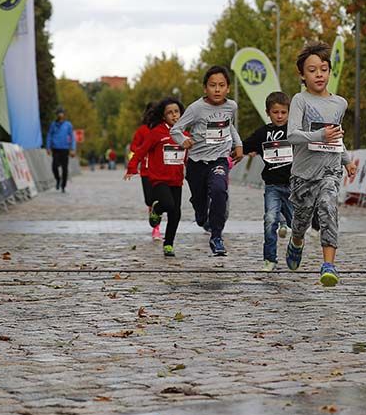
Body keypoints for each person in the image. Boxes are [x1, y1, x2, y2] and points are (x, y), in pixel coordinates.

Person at [285, 41, 357, 286]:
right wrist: (318, 136)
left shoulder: (340, 103)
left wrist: (347, 160)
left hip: (330, 169)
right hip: (304, 173)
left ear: (329, 71)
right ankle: (296, 241)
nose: (319, 74)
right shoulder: (300, 100)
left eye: (323, 69)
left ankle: (329, 265)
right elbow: (292, 135)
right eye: (312, 70)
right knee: (301, 221)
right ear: (303, 75)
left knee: (328, 207)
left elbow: (336, 136)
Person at [171, 66, 243, 256]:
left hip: (219, 159)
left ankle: (217, 237)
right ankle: (202, 215)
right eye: (213, 85)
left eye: (221, 85)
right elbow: (176, 129)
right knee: (201, 206)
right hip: (196, 162)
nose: (217, 90)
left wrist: (238, 144)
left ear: (228, 88)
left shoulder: (231, 106)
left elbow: (230, 127)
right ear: (205, 88)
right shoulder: (196, 108)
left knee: (220, 191)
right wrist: (183, 140)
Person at [125, 98, 186, 256]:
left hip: (176, 179)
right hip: (159, 178)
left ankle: (169, 244)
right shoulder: (156, 133)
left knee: (176, 213)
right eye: (169, 113)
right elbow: (141, 151)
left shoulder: (185, 134)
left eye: (176, 112)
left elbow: (189, 156)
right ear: (163, 116)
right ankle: (157, 209)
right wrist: (132, 167)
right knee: (168, 204)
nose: (174, 115)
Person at [242, 91, 294, 271]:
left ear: (289, 112)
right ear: (268, 112)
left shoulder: (295, 132)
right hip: (272, 185)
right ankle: (269, 259)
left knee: (297, 225)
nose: (279, 116)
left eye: (283, 112)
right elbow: (243, 146)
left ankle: (293, 249)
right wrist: (232, 153)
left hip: (294, 186)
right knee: (270, 219)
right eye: (275, 112)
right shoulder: (262, 133)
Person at [46, 107, 76, 193]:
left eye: (62, 113)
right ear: (57, 115)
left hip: (65, 149)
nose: (60, 114)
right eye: (59, 113)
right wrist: (48, 147)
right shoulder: (53, 125)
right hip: (55, 149)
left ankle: (63, 186)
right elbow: (49, 135)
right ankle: (58, 179)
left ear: (64, 114)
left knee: (64, 168)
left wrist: (73, 149)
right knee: (54, 166)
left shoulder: (68, 125)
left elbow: (72, 137)